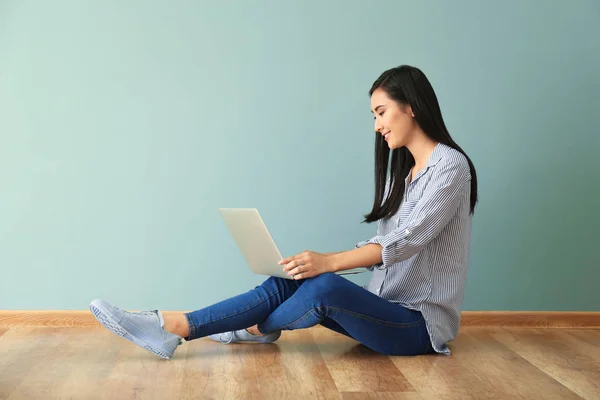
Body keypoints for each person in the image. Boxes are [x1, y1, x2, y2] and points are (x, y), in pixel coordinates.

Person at [90, 65, 478, 359]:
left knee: (323, 284)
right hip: (382, 310)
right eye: (373, 116)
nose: (377, 125)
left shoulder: (450, 167)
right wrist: (317, 264)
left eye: (381, 112)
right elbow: (386, 246)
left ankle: (244, 326)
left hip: (418, 326)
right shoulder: (404, 175)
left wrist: (328, 263)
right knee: (287, 280)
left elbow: (404, 243)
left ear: (410, 107)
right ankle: (174, 325)